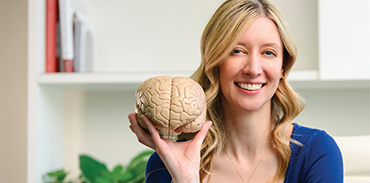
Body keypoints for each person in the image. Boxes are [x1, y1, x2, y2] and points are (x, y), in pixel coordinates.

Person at [128, 0, 343, 182]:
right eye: (237, 51)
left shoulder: (317, 153)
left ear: (282, 68)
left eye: (268, 52)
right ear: (214, 63)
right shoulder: (167, 163)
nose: (253, 69)